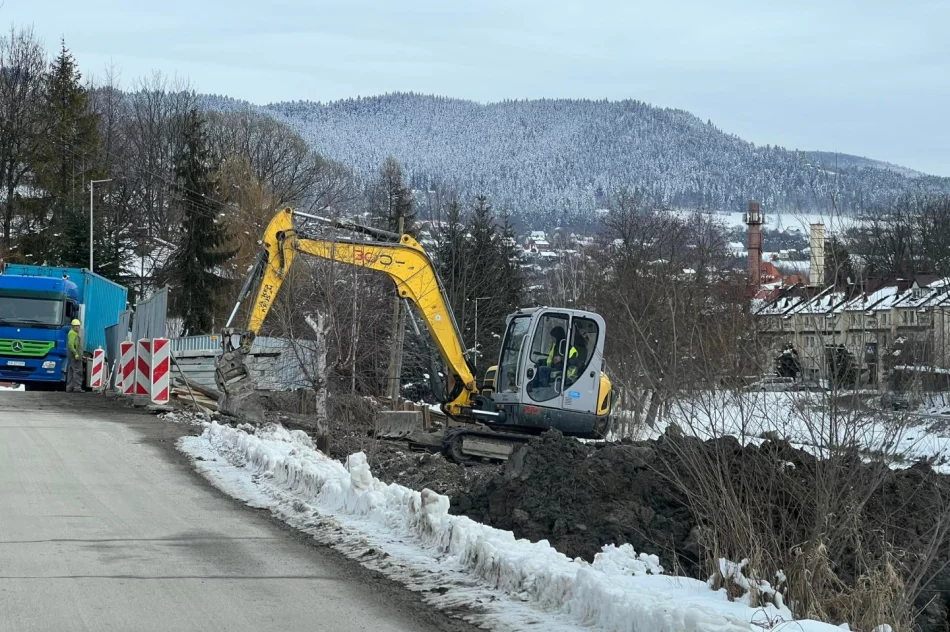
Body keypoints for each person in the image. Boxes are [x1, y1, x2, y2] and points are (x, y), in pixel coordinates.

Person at [66, 319, 84, 393]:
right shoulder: (73, 333)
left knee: (71, 370)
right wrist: (76, 353)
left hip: (71, 355)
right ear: (72, 326)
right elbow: (71, 345)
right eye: (75, 326)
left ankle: (69, 388)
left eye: (78, 326)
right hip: (74, 355)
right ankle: (77, 387)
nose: (77, 328)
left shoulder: (71, 333)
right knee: (77, 371)